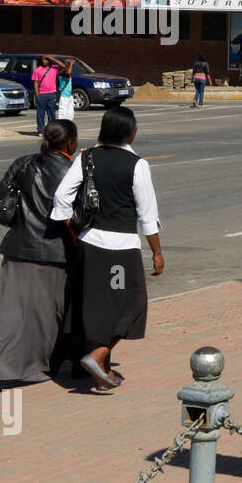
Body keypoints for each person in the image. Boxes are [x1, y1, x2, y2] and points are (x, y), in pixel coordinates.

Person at [50, 106, 163, 389]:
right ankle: (97, 356)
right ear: (128, 132)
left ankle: (103, 374)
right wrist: (157, 253)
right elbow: (147, 214)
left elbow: (62, 196)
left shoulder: (86, 157)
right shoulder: (137, 165)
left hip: (90, 245)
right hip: (121, 251)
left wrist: (72, 229)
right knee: (131, 306)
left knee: (97, 308)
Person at [0, 120, 79, 389]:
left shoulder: (24, 163)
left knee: (9, 315)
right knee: (50, 314)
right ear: (70, 143)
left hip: (19, 248)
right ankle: (40, 366)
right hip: (58, 252)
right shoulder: (73, 171)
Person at [32, 55, 61, 135]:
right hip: (41, 94)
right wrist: (37, 94)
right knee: (40, 113)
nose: (44, 61)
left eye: (46, 59)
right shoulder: (37, 70)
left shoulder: (54, 68)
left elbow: (64, 66)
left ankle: (52, 130)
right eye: (43, 59)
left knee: (52, 113)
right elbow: (36, 82)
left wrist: (53, 58)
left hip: (51, 94)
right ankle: (40, 129)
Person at [54, 55, 76, 122]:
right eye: (67, 63)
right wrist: (71, 64)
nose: (68, 65)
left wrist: (71, 62)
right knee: (63, 114)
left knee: (70, 115)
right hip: (63, 96)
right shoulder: (62, 72)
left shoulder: (66, 71)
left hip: (69, 96)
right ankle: (62, 126)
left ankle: (68, 126)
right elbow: (68, 72)